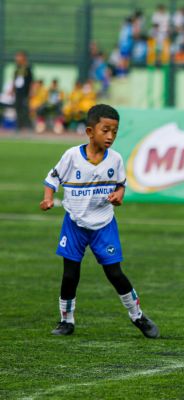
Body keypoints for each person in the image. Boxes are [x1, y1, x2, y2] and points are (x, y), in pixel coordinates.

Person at [40, 104, 159, 338]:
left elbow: (121, 184)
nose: (110, 136)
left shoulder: (115, 159)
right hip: (74, 224)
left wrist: (118, 196)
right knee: (70, 275)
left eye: (114, 131)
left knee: (115, 273)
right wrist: (48, 199)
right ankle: (66, 320)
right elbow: (52, 179)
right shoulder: (72, 156)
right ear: (89, 131)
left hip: (103, 224)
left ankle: (138, 316)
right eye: (105, 130)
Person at [12, 50, 33, 130]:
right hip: (18, 92)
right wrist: (12, 89)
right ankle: (19, 125)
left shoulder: (28, 68)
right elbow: (15, 79)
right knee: (18, 108)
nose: (16, 58)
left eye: (18, 56)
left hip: (25, 92)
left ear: (23, 57)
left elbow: (31, 80)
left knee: (25, 108)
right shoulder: (17, 68)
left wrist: (31, 91)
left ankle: (28, 125)